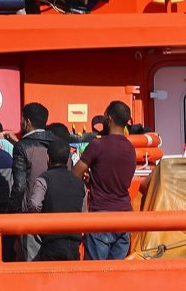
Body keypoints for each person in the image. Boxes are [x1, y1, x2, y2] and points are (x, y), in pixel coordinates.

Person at [72, 100, 136, 260]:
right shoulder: (131, 149)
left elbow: (75, 174)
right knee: (116, 277)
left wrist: (88, 181)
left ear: (109, 118)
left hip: (101, 216)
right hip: (125, 218)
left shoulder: (97, 145)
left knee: (94, 276)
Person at [7, 102, 57, 261]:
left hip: (30, 212)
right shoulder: (59, 143)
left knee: (31, 261)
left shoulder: (22, 147)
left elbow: (20, 184)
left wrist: (14, 209)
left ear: (27, 122)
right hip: (56, 211)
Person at [28, 140, 85, 261]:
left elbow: (34, 204)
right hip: (73, 243)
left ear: (48, 158)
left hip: (51, 241)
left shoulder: (43, 180)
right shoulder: (79, 183)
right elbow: (84, 212)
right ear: (68, 159)